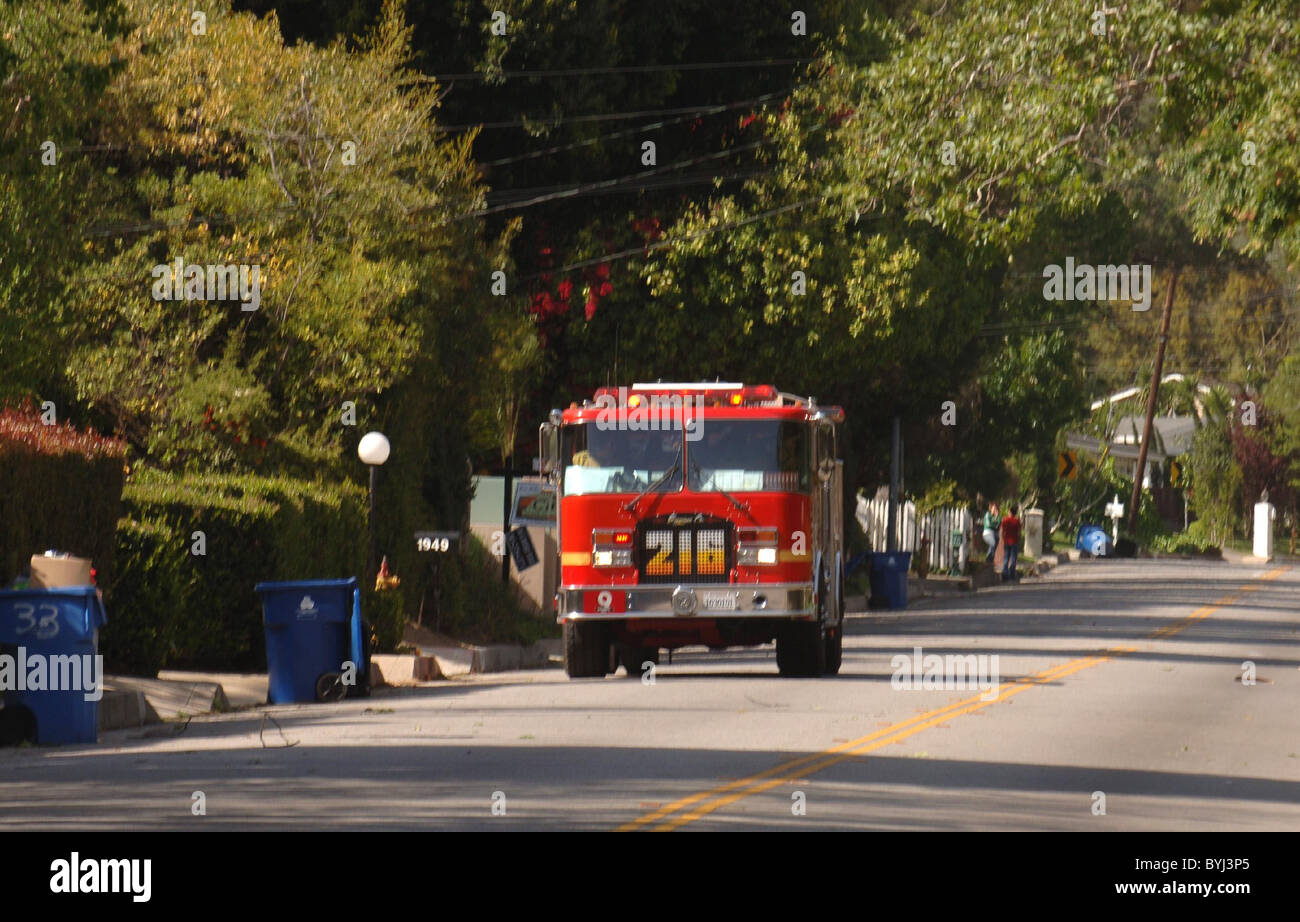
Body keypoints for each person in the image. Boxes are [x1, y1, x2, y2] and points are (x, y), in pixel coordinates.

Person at [1000, 504, 1022, 582]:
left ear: (1009, 512)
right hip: (1014, 541)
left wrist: (1003, 538)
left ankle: (1004, 573)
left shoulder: (1005, 520)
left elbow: (1002, 531)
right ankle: (1011, 574)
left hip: (1007, 541)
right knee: (1013, 558)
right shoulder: (1017, 521)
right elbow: (1019, 533)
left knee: (1006, 557)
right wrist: (1019, 540)